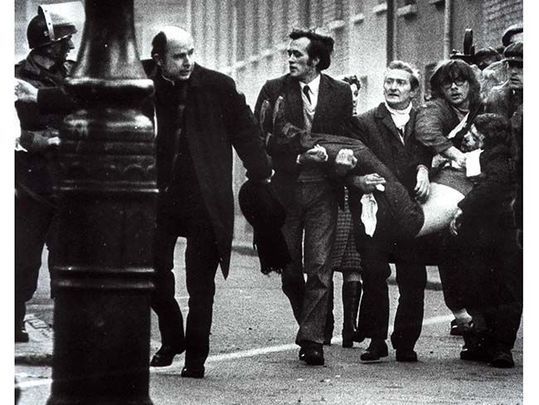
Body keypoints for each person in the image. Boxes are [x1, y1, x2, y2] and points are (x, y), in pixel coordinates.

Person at [144, 26, 272, 378]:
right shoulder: (141, 83)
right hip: (158, 198)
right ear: (159, 59)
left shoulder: (218, 86)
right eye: (178, 56)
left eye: (191, 53)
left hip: (205, 199)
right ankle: (172, 335)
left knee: (201, 283)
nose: (188, 62)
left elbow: (245, 131)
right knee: (150, 271)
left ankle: (195, 356)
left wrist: (261, 171)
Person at [254, 28, 353, 366]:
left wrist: (341, 159)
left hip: (324, 191)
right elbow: (260, 138)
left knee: (320, 266)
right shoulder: (274, 90)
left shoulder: (340, 93)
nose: (291, 59)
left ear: (316, 60)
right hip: (285, 191)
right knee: (291, 271)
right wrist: (297, 157)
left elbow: (345, 137)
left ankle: (311, 340)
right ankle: (316, 319)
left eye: (297, 54)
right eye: (290, 53)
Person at [348, 61, 431, 362]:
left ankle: (406, 342)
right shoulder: (365, 122)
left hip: (412, 212)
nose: (393, 87)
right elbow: (352, 163)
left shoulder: (425, 122)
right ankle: (376, 340)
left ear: (413, 90)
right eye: (389, 81)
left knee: (413, 277)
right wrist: (358, 180)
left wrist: (424, 168)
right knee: (374, 274)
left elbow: (432, 150)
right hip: (376, 212)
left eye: (401, 83)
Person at [14, 4, 78, 343]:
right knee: (22, 258)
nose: (69, 47)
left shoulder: (72, 75)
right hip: (28, 182)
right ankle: (12, 319)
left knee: (66, 257)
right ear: (46, 45)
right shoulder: (13, 76)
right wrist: (34, 138)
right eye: (63, 42)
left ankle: (67, 325)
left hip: (69, 180)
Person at [415, 59, 483, 337]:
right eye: (447, 83)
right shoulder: (438, 108)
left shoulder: (484, 105)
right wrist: (457, 155)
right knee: (451, 244)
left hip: (487, 183)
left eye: (460, 82)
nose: (454, 88)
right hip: (452, 180)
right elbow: (426, 131)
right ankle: (461, 313)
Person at [449, 113, 522, 368]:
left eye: (474, 132)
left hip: (497, 233)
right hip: (498, 233)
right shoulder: (501, 153)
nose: (469, 137)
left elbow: (494, 185)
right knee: (496, 289)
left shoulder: (496, 156)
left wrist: (462, 207)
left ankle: (498, 347)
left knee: (497, 289)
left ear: (484, 136)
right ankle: (494, 345)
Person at [324, 74, 363, 349]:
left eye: (355, 95)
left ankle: (350, 325)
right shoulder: (329, 124)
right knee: (323, 263)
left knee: (354, 264)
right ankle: (324, 324)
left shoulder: (363, 126)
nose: (351, 100)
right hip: (332, 200)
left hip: (358, 202)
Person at [484, 42, 523, 245]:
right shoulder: (498, 97)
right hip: (507, 177)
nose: (514, 72)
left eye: (521, 67)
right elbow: (495, 143)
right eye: (510, 66)